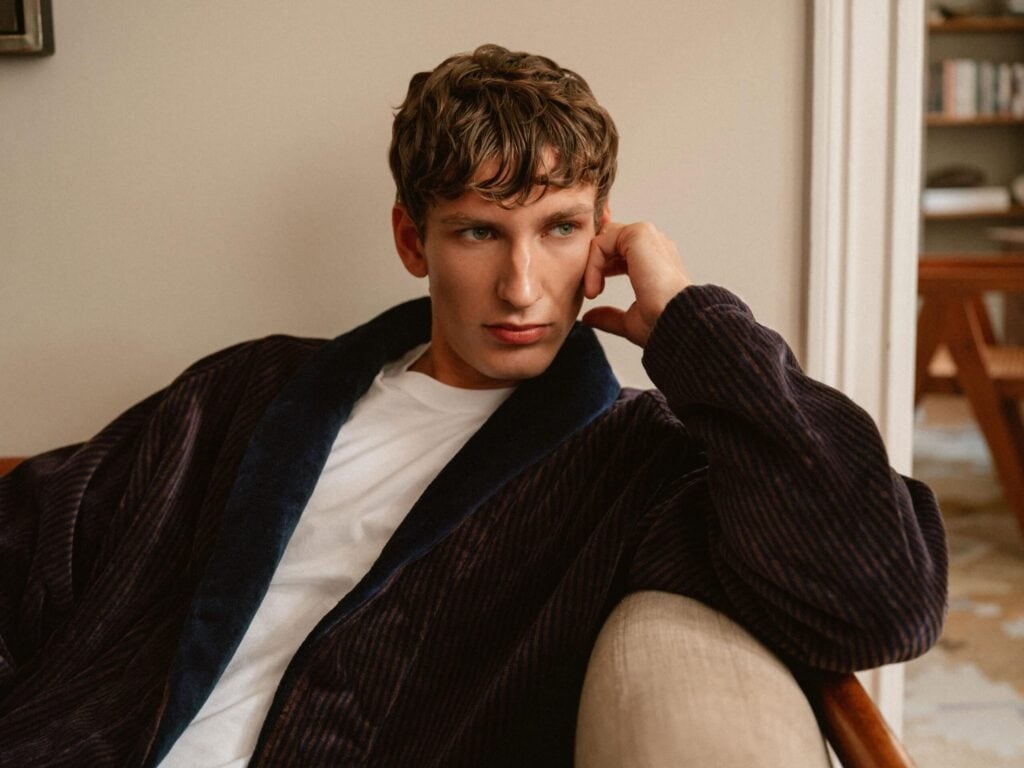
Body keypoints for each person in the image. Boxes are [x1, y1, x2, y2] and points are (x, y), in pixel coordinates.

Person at [0, 44, 946, 767]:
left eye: (560, 229)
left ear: (602, 240)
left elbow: (884, 604)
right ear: (414, 241)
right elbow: (29, 544)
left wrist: (694, 327)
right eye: (479, 233)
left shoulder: (636, 467)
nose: (522, 287)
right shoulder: (248, 393)